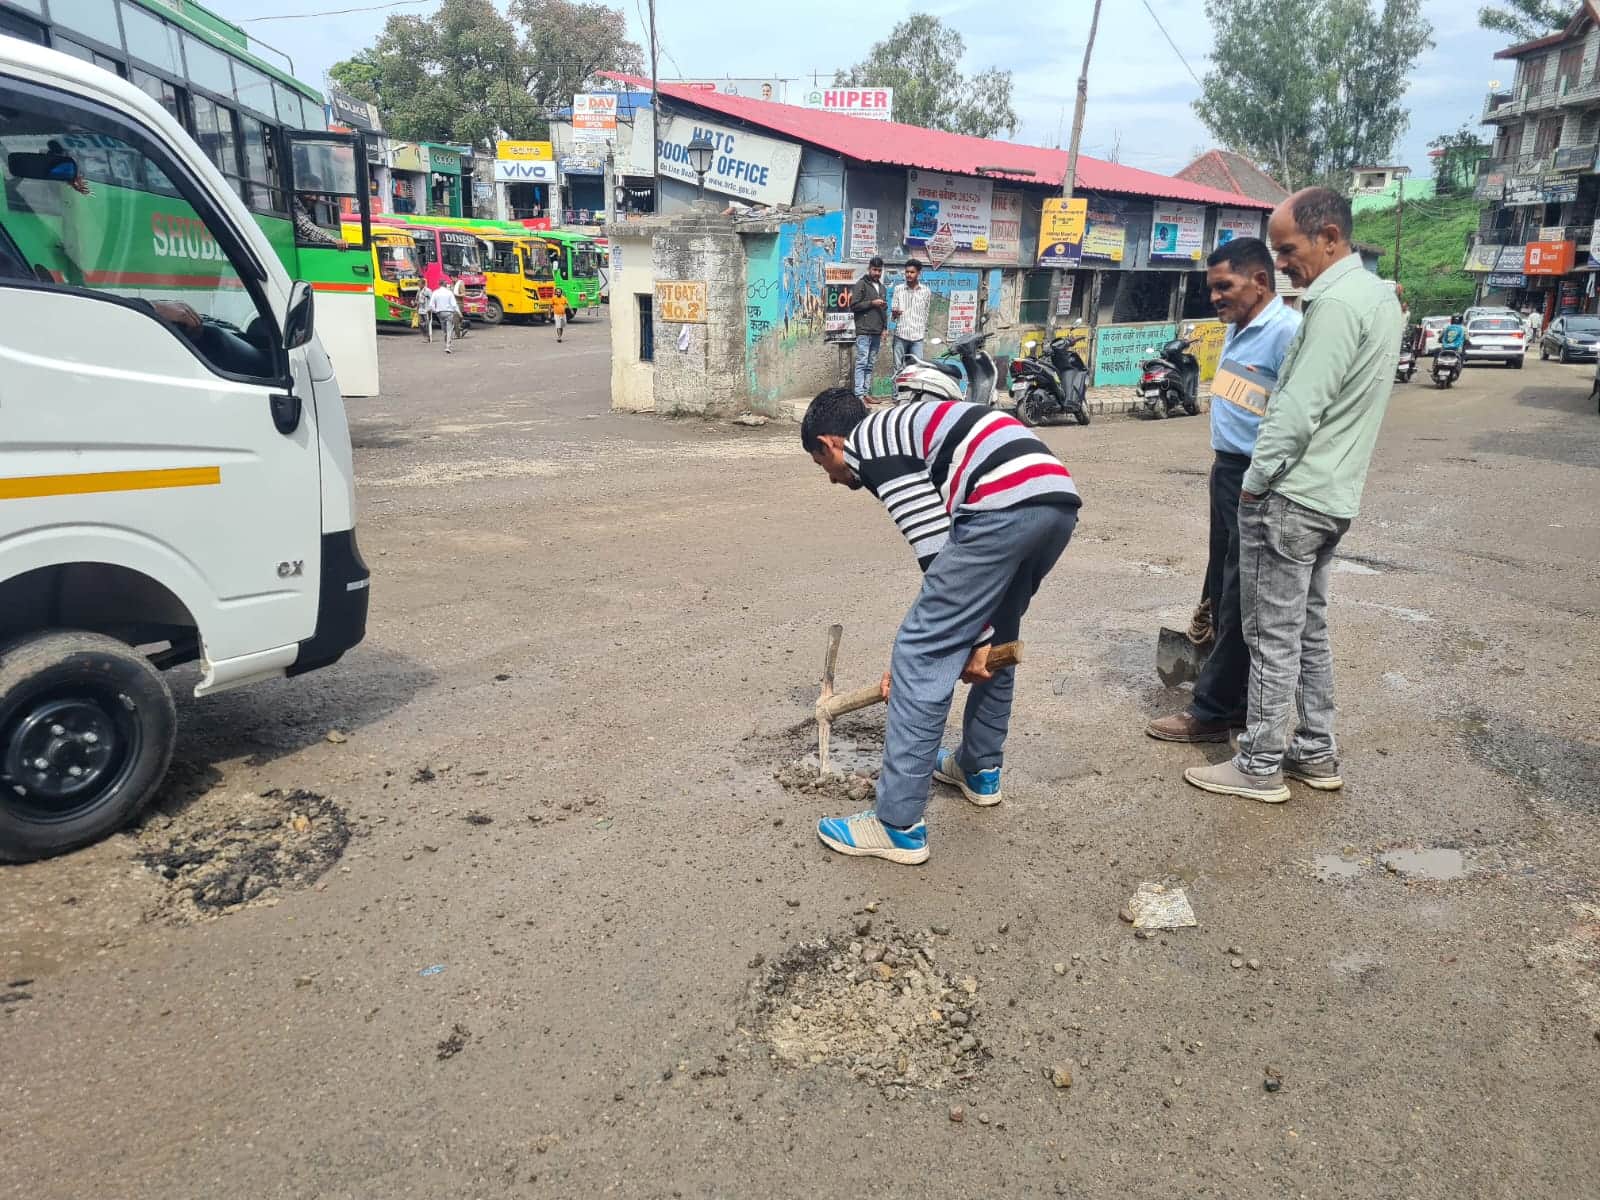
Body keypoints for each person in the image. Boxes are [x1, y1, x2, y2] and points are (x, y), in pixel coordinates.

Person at [799, 385, 1082, 864]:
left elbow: (933, 543)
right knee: (1000, 643)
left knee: (921, 652)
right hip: (1054, 501)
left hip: (1000, 506)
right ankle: (978, 769)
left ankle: (897, 824)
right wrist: (986, 636)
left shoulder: (869, 442)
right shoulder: (906, 423)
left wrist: (967, 639)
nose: (830, 478)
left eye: (821, 464)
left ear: (831, 444)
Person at [1184, 187, 1402, 804]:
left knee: (1269, 634)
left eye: (1288, 249)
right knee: (1308, 630)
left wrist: (1253, 487)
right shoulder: (1378, 302)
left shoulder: (1330, 308)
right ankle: (1315, 751)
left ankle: (1258, 763)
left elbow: (1296, 410)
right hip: (1334, 494)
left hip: (1291, 495)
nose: (1281, 264)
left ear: (1330, 238)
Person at [1147, 237, 1301, 744]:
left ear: (1260, 281)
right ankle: (1229, 695)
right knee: (1219, 586)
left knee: (1240, 594)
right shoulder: (1239, 329)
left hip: (1259, 476)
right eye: (1211, 288)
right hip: (1227, 470)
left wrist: (1263, 481)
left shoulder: (1285, 334)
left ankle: (1213, 711)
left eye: (1223, 286)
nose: (1214, 297)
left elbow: (1298, 418)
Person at [850, 255, 889, 401]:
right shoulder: (861, 284)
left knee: (870, 363)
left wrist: (885, 328)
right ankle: (859, 395)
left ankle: (866, 393)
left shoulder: (883, 288)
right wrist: (872, 302)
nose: (877, 273)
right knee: (862, 362)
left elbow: (884, 309)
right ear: (869, 269)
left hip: (877, 332)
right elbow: (854, 305)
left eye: (879, 270)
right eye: (874, 270)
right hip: (864, 331)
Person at [891, 258, 931, 369]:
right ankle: (897, 387)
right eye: (907, 272)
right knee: (898, 368)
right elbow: (893, 315)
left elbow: (926, 312)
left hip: (917, 337)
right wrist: (894, 314)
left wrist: (923, 330)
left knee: (917, 368)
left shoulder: (926, 291)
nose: (909, 274)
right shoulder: (898, 289)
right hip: (901, 335)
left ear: (918, 273)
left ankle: (913, 388)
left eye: (912, 272)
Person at [424, 277, 460, 353]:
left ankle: (446, 343)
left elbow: (431, 305)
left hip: (440, 313)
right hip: (449, 313)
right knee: (449, 329)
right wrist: (459, 313)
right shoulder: (449, 292)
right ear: (445, 284)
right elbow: (454, 305)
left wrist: (435, 311)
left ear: (439, 284)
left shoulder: (435, 292)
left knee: (444, 329)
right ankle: (448, 346)